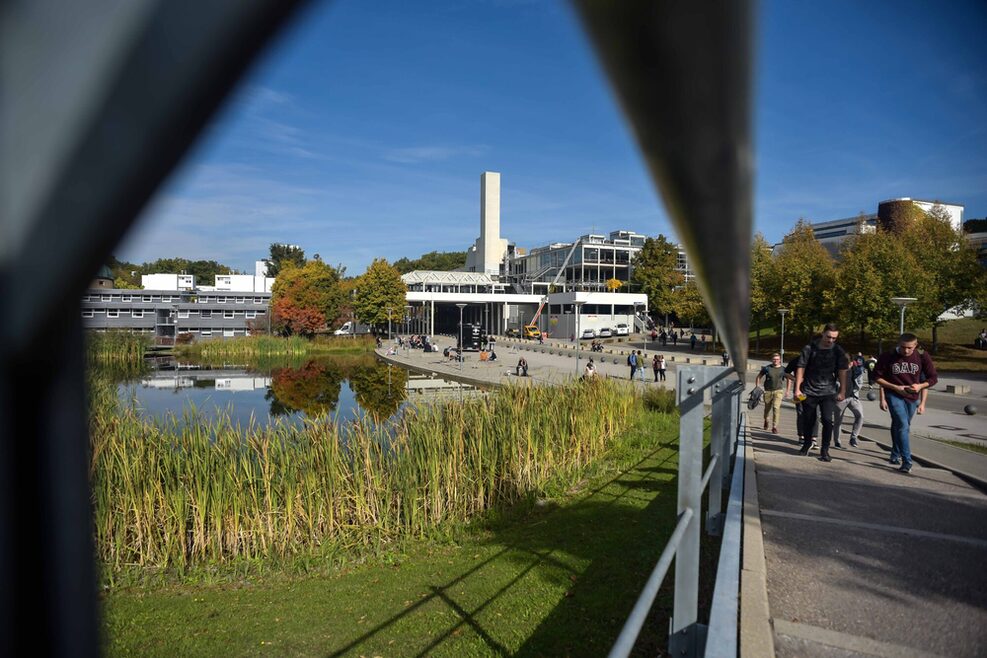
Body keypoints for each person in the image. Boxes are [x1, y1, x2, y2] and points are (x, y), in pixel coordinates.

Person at [874, 333, 938, 474]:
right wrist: (895, 388)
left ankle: (895, 453)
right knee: (902, 425)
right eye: (903, 347)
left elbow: (933, 378)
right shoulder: (888, 356)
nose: (906, 351)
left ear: (915, 345)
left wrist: (920, 386)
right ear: (898, 344)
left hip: (912, 397)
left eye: (909, 348)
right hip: (894, 394)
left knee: (902, 426)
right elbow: (876, 377)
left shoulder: (922, 356)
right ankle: (907, 461)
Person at [793, 324, 849, 462]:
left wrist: (842, 390)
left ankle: (825, 450)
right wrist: (797, 389)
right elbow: (801, 367)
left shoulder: (838, 351)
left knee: (827, 420)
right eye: (828, 337)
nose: (830, 340)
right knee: (809, 419)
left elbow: (842, 371)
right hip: (809, 390)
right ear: (823, 333)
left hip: (828, 391)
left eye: (834, 338)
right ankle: (806, 444)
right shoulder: (809, 348)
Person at [834, 353, 865, 448]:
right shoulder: (837, 371)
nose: (847, 366)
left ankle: (854, 437)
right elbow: (832, 383)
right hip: (840, 399)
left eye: (849, 364)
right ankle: (837, 441)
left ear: (852, 363)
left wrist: (856, 390)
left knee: (860, 416)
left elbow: (860, 382)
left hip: (853, 397)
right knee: (838, 421)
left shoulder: (857, 371)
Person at [756, 353, 786, 434]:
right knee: (767, 410)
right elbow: (758, 376)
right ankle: (766, 420)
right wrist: (757, 387)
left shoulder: (783, 369)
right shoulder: (767, 368)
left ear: (780, 360)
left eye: (777, 359)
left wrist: (788, 390)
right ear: (772, 360)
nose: (775, 360)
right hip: (768, 391)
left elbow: (789, 378)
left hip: (778, 391)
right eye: (774, 359)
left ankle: (774, 427)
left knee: (776, 408)